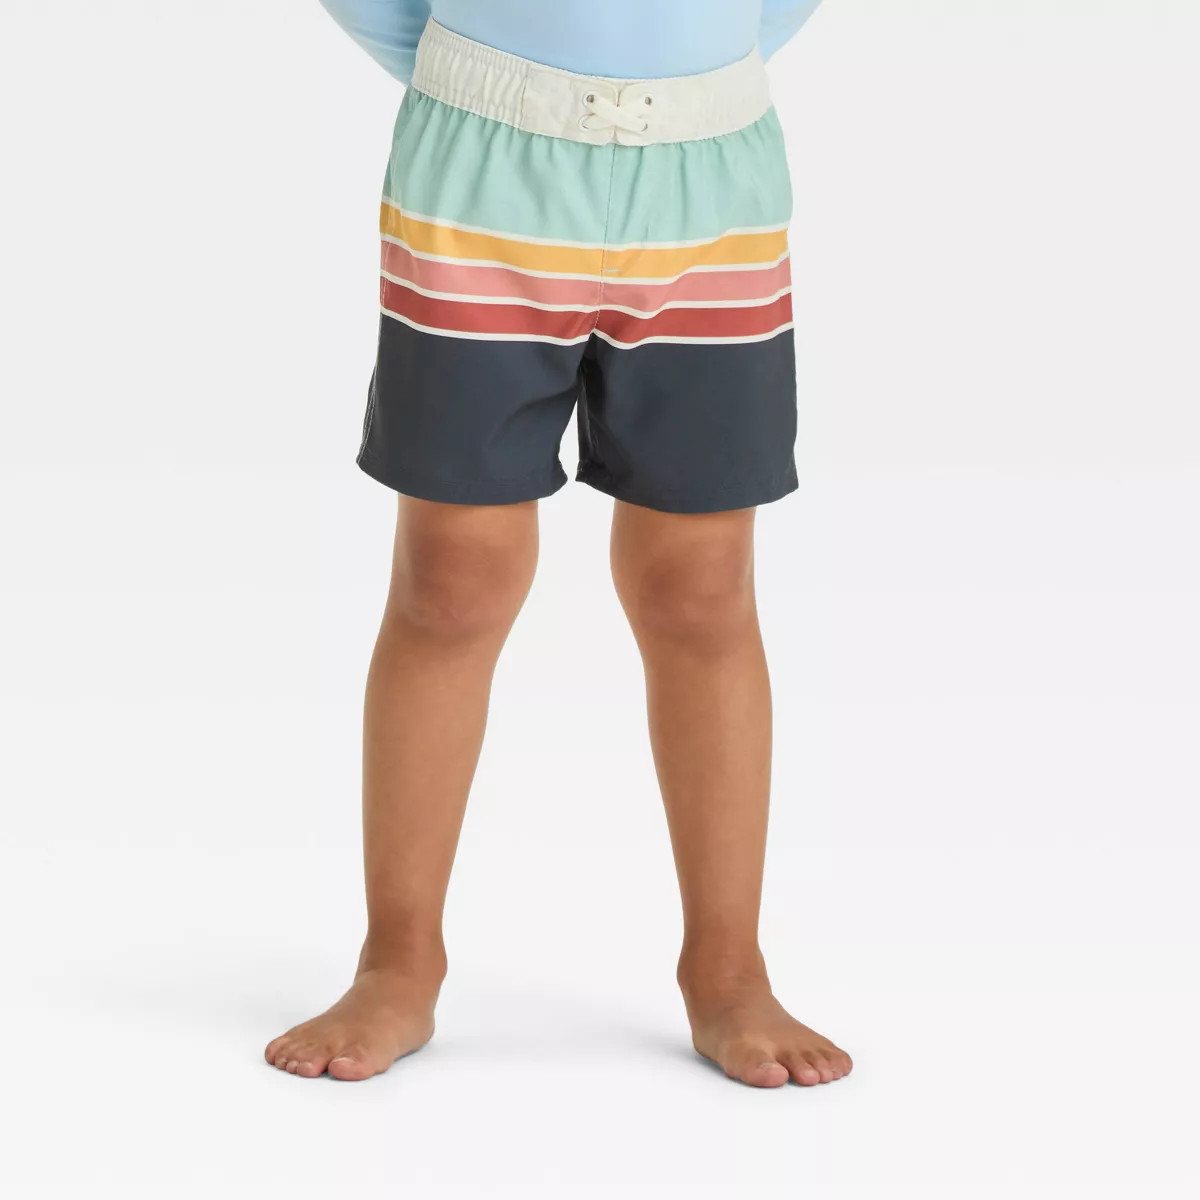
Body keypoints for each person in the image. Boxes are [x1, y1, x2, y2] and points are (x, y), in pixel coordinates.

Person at [266, 0, 853, 1088]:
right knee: (452, 576)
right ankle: (399, 958)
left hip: (708, 176)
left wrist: (700, 68)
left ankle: (728, 967)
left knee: (702, 585)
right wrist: (470, 75)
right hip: (482, 171)